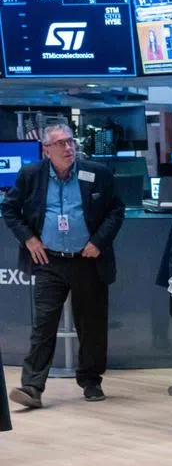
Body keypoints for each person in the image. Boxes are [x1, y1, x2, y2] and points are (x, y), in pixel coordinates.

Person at [4, 123, 124, 408]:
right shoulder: (31, 175)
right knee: (44, 325)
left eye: (70, 141)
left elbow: (116, 210)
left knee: (92, 324)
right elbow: (9, 208)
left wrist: (99, 241)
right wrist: (29, 239)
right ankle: (32, 387)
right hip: (49, 260)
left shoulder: (97, 173)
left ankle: (91, 380)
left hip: (88, 259)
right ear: (46, 150)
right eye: (60, 143)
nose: (68, 148)